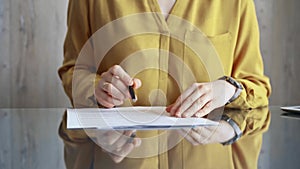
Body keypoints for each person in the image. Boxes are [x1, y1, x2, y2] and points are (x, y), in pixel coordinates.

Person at [58, 0, 271, 169]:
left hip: (213, 155)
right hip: (115, 156)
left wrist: (228, 90)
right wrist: (97, 88)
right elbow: (73, 70)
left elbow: (257, 86)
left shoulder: (237, 2)